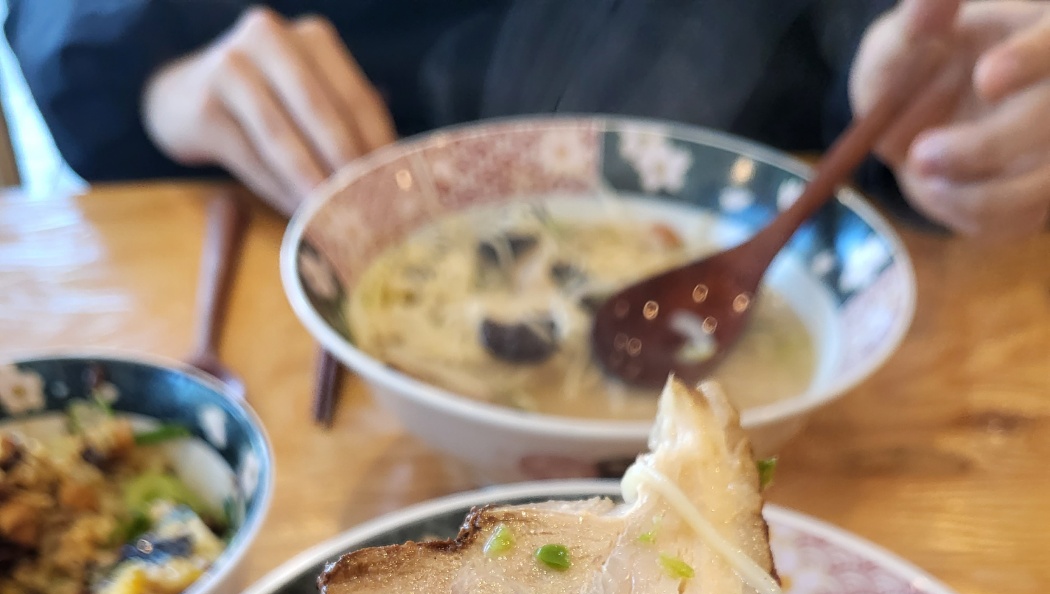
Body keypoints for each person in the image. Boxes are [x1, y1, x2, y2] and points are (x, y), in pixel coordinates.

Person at [6, 1, 1050, 238]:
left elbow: (899, 30)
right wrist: (155, 71)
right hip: (302, 245)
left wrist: (943, 104)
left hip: (785, 243)